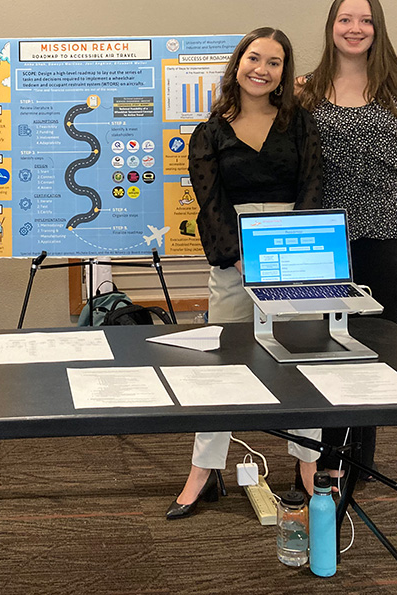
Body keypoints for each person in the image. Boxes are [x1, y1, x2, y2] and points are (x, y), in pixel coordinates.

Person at [168, 27, 323, 520]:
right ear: (238, 64)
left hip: (298, 254)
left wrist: (294, 251)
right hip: (233, 258)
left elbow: (313, 188)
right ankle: (204, 469)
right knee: (223, 365)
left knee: (304, 360)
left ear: (284, 73)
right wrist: (239, 256)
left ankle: (306, 465)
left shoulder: (300, 124)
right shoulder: (209, 131)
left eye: (274, 62)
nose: (262, 68)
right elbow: (209, 203)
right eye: (254, 58)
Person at [297, 0, 397, 480]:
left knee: (374, 342)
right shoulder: (305, 90)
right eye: (346, 20)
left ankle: (361, 458)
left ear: (378, 28)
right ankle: (322, 459)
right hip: (322, 235)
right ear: (331, 27)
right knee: (324, 343)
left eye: (365, 20)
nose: (355, 28)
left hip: (384, 231)